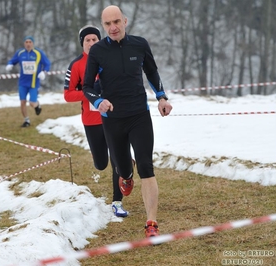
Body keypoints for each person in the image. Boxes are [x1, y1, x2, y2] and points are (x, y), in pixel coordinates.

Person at [83, 5, 173, 237]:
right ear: (103, 26)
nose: (113, 27)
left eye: (116, 22)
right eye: (107, 24)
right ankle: (126, 173)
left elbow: (152, 73)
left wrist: (161, 97)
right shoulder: (98, 51)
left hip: (138, 115)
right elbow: (87, 87)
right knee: (122, 168)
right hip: (112, 119)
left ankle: (151, 222)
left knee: (146, 166)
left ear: (124, 21)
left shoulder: (140, 44)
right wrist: (99, 100)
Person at [64, 25, 128, 217]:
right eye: (87, 40)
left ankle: (117, 201)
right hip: (91, 121)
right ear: (82, 44)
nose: (91, 43)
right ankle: (122, 160)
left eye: (94, 39)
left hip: (113, 118)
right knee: (100, 163)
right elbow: (67, 95)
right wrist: (90, 94)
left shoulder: (110, 59)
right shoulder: (76, 65)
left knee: (117, 160)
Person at [6, 36, 51, 127]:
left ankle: (37, 105)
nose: (28, 44)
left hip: (33, 82)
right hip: (22, 82)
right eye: (26, 42)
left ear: (33, 43)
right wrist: (10, 64)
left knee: (31, 102)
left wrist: (44, 72)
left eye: (30, 42)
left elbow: (47, 63)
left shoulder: (38, 53)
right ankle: (26, 121)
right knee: (22, 102)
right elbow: (13, 60)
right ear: (24, 43)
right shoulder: (20, 53)